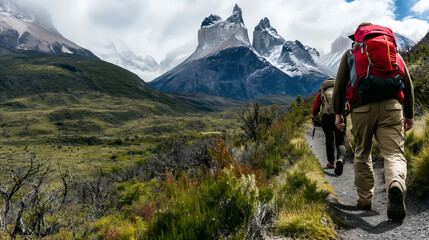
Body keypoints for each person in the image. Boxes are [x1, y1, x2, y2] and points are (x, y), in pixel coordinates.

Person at [333, 22, 414, 221]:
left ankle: (365, 199)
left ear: (358, 37)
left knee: (362, 152)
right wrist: (409, 114)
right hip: (391, 108)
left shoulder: (351, 53)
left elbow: (340, 85)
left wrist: (338, 113)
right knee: (394, 153)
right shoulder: (391, 51)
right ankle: (395, 183)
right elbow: (408, 82)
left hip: (362, 109)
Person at [312, 78, 346, 176]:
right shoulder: (340, 90)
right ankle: (340, 158)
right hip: (339, 116)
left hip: (326, 118)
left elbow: (316, 106)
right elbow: (347, 103)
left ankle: (331, 162)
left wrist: (314, 115)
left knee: (329, 140)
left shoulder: (322, 92)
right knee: (340, 140)